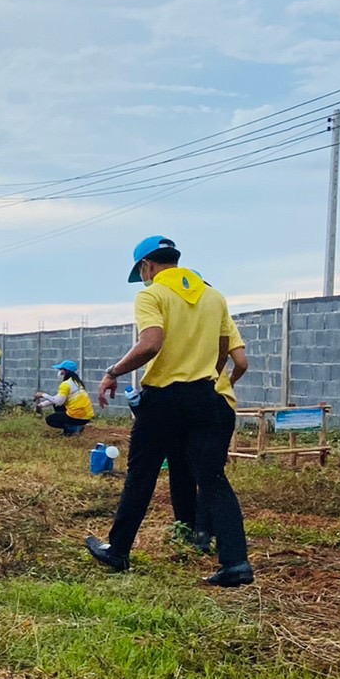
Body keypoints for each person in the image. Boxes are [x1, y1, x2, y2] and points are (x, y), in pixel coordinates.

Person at [86, 236, 252, 587]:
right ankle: (236, 563)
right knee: (212, 479)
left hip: (163, 399)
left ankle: (118, 550)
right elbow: (225, 349)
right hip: (205, 396)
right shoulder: (214, 296)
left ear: (147, 265)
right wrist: (203, 374)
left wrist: (112, 372)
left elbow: (151, 343)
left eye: (143, 271)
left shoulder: (152, 295)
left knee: (142, 475)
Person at [168, 321, 247, 554]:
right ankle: (203, 532)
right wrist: (227, 383)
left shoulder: (180, 319)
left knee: (181, 467)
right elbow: (241, 363)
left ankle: (187, 529)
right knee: (210, 472)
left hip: (188, 401)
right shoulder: (224, 321)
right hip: (223, 404)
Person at [35, 360, 94, 434]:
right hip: (86, 415)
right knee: (56, 406)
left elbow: (59, 402)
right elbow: (57, 398)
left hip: (77, 415)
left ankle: (72, 429)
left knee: (50, 420)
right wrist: (42, 405)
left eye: (60, 370)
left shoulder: (66, 384)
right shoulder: (76, 382)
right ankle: (75, 426)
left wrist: (43, 395)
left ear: (66, 371)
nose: (59, 372)